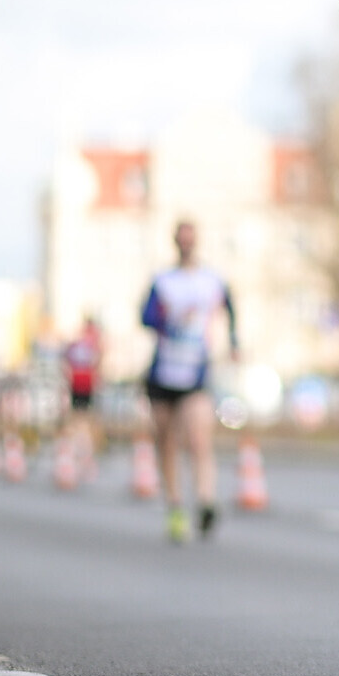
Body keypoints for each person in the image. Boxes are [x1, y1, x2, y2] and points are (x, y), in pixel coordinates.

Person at [140, 220, 238, 544]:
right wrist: (169, 321)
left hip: (196, 371)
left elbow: (231, 306)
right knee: (167, 441)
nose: (186, 244)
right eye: (181, 239)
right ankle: (175, 506)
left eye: (190, 239)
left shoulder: (210, 280)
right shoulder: (164, 281)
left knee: (199, 438)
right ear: (175, 242)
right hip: (164, 371)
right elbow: (146, 317)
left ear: (196, 242)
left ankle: (206, 500)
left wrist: (234, 343)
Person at [62, 316, 104, 476]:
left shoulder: (79, 343)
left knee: (81, 418)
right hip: (84, 383)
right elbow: (98, 362)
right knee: (85, 418)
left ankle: (80, 449)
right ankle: (83, 449)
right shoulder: (90, 343)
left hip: (81, 383)